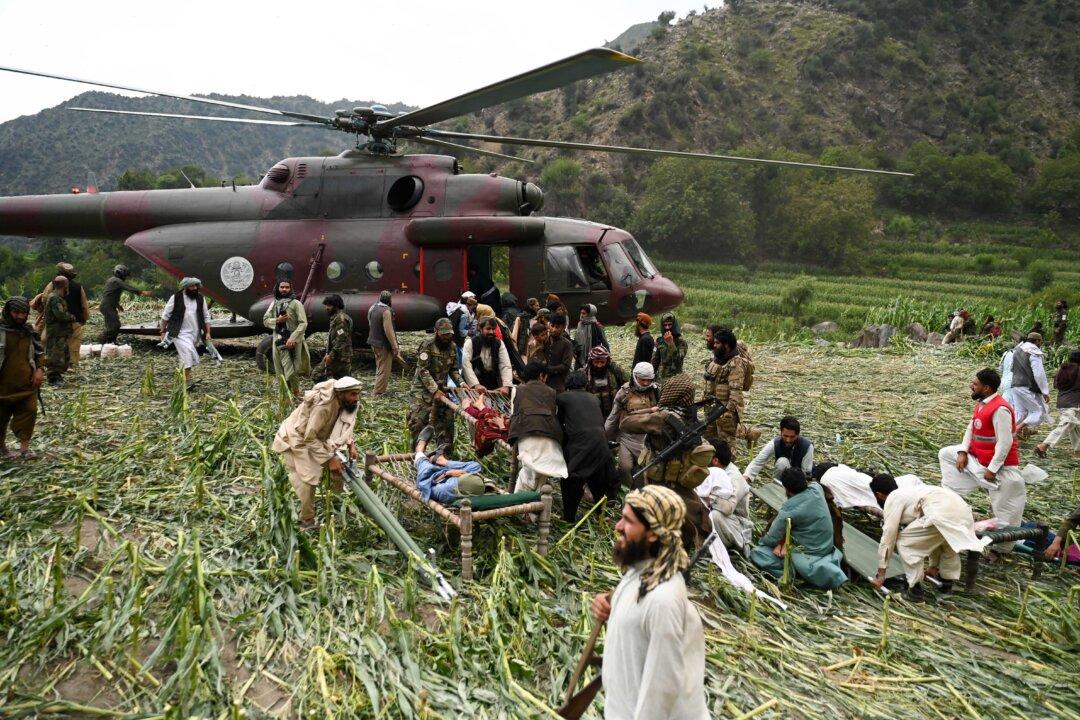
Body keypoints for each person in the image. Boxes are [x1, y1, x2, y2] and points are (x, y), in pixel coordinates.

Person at [591, 486, 708, 720]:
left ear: (653, 532)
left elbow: (661, 691)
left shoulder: (663, 600)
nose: (618, 527)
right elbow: (638, 623)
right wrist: (612, 608)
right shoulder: (642, 572)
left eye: (627, 521)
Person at [619, 373, 712, 552]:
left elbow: (626, 424)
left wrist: (652, 410)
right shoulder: (690, 415)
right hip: (680, 474)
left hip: (659, 474)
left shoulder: (662, 418)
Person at [939, 368, 1026, 556]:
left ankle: (999, 552)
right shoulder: (981, 404)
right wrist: (962, 452)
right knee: (946, 454)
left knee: (1006, 514)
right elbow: (970, 428)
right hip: (979, 461)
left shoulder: (1000, 409)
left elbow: (1005, 443)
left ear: (986, 388)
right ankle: (955, 497)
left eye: (975, 384)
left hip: (1001, 469)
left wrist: (993, 469)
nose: (971, 385)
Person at [869, 474, 991, 601]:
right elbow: (930, 538)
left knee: (905, 543)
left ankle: (914, 591)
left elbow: (889, 535)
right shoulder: (913, 490)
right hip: (962, 511)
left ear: (879, 495)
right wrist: (933, 565)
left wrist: (881, 573)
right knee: (945, 542)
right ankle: (946, 584)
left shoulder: (893, 498)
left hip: (940, 513)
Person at [271, 376, 361, 530]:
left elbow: (345, 423)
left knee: (340, 467)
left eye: (358, 394)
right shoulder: (323, 408)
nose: (356, 398)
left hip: (318, 436)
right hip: (297, 437)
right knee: (308, 477)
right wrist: (329, 458)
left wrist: (350, 444)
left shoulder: (348, 403)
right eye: (353, 394)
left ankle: (337, 503)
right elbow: (309, 437)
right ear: (341, 394)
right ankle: (307, 520)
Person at [749, 467, 847, 590]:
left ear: (787, 489)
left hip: (809, 555)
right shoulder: (816, 488)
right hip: (827, 547)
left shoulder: (789, 511)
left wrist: (764, 542)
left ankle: (793, 574)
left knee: (758, 553)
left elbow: (771, 538)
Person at [557, 371, 619, 521]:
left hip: (581, 445)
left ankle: (569, 518)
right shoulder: (594, 399)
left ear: (567, 385)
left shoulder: (562, 398)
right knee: (596, 479)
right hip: (601, 444)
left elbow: (559, 423)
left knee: (571, 481)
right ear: (585, 384)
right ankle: (601, 515)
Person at [507, 361, 566, 494]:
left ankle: (520, 505)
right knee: (541, 473)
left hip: (526, 435)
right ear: (541, 375)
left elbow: (513, 414)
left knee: (528, 472)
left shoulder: (518, 389)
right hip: (551, 439)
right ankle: (533, 505)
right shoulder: (552, 392)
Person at [406, 318, 464, 449]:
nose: (446, 337)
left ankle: (444, 454)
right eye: (443, 334)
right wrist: (434, 390)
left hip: (442, 390)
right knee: (418, 422)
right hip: (422, 390)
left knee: (447, 422)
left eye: (449, 334)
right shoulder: (427, 345)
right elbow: (423, 370)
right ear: (436, 331)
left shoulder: (453, 347)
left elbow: (454, 370)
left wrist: (461, 383)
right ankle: (417, 454)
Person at [0, 297, 45, 460]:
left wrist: (39, 370)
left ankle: (24, 449)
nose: (20, 316)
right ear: (8, 311)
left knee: (29, 412)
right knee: (1, 417)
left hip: (27, 383)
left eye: (23, 313)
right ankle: (2, 449)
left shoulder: (29, 331)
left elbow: (39, 352)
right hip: (3, 385)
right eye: (16, 312)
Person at [606, 361, 661, 488]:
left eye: (649, 380)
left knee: (643, 472)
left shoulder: (657, 391)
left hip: (647, 440)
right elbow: (613, 417)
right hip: (627, 438)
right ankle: (626, 491)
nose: (646, 383)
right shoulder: (624, 393)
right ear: (635, 376)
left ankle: (637, 496)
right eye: (642, 380)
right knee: (625, 467)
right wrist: (604, 436)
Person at [694, 440, 752, 556]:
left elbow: (728, 508)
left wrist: (710, 499)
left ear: (715, 460)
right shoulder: (714, 470)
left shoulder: (734, 477)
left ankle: (724, 547)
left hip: (735, 522)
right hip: (715, 513)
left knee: (715, 516)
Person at [32, 262, 89, 371]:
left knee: (49, 344)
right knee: (72, 346)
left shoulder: (52, 285)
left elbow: (44, 300)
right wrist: (84, 318)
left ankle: (47, 365)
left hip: (55, 323)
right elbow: (84, 305)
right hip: (74, 322)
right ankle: (70, 367)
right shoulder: (78, 287)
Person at [159, 277, 212, 391]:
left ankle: (182, 379)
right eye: (192, 286)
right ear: (185, 287)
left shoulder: (200, 298)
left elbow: (206, 317)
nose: (194, 288)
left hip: (195, 333)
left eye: (196, 286)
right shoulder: (176, 298)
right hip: (178, 332)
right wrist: (162, 331)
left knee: (186, 355)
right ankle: (187, 381)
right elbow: (165, 316)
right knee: (187, 353)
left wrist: (208, 333)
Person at [262, 279, 311, 401]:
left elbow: (303, 323)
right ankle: (284, 396)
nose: (284, 289)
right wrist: (277, 321)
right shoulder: (274, 304)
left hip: (292, 342)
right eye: (282, 287)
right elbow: (265, 320)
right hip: (277, 341)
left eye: (287, 287)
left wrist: (293, 338)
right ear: (278, 288)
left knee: (292, 371)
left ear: (290, 289)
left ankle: (296, 395)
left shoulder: (296, 304)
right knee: (279, 370)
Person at [413, 425, 488, 504]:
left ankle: (419, 450)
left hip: (435, 477)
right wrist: (462, 474)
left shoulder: (445, 492)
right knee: (475, 466)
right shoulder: (474, 485)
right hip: (458, 476)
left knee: (426, 470)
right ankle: (442, 461)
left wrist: (448, 474)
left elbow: (426, 486)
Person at [701, 328, 746, 456]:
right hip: (711, 409)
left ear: (726, 345)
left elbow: (736, 391)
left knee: (726, 445)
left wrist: (728, 412)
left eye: (717, 343)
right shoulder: (717, 360)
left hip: (724, 412)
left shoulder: (735, 363)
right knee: (709, 441)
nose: (714, 346)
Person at [1035, 349, 1080, 458]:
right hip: (1073, 403)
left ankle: (1078, 452)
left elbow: (1056, 385)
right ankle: (1044, 445)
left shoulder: (1063, 370)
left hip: (1062, 402)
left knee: (1076, 428)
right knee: (1067, 424)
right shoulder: (1078, 370)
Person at [744, 416, 814, 483]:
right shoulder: (775, 443)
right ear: (781, 432)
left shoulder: (807, 446)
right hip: (781, 480)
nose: (788, 440)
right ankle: (776, 489)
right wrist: (746, 477)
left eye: (792, 437)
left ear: (798, 434)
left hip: (799, 482)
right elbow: (758, 462)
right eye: (785, 436)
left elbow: (806, 473)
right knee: (782, 462)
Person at [1010, 332, 1051, 436]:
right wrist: (1045, 391)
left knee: (1021, 413)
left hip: (1015, 385)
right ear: (1037, 341)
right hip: (1025, 386)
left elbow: (1012, 368)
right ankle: (1017, 430)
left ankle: (1006, 434)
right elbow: (1039, 374)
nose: (1040, 344)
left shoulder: (1018, 350)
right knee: (1038, 412)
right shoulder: (1033, 352)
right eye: (1040, 341)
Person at [99, 264, 151, 344]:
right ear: (120, 273)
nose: (125, 277)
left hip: (109, 306)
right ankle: (102, 341)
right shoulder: (116, 280)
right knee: (115, 325)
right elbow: (128, 287)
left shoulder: (113, 280)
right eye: (125, 275)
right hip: (107, 306)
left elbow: (111, 295)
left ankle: (110, 342)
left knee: (111, 325)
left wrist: (118, 305)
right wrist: (142, 292)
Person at [462, 316, 512, 394]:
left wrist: (506, 385)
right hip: (473, 383)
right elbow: (466, 366)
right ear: (480, 329)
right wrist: (476, 384)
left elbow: (505, 365)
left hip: (492, 382)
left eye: (493, 329)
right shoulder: (470, 343)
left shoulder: (499, 343)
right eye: (488, 329)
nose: (491, 332)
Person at [42, 276, 76, 385]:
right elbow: (60, 315)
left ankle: (58, 375)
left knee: (62, 355)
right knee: (55, 355)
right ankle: (53, 377)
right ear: (64, 286)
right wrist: (71, 317)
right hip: (56, 332)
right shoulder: (55, 298)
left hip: (61, 332)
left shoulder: (57, 297)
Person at [366, 290, 400, 395]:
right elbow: (388, 331)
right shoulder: (386, 311)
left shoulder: (373, 307)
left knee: (379, 366)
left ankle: (377, 387)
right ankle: (378, 392)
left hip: (373, 341)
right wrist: (395, 347)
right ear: (390, 300)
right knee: (384, 369)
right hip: (383, 344)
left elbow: (370, 322)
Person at [315, 294, 354, 382]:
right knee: (342, 381)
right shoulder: (335, 318)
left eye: (329, 305)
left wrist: (330, 355)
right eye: (326, 305)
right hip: (340, 355)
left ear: (336, 306)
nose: (326, 308)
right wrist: (328, 352)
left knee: (317, 374)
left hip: (340, 356)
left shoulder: (340, 319)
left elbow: (341, 340)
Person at [584, 345, 627, 419]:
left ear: (607, 361)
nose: (599, 365)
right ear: (591, 361)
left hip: (614, 411)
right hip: (593, 413)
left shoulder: (616, 370)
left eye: (602, 362)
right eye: (596, 362)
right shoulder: (584, 373)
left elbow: (627, 385)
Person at [540, 313, 573, 393]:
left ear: (563, 328)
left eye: (557, 327)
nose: (554, 329)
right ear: (549, 325)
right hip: (542, 381)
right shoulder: (543, 341)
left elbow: (565, 366)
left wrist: (548, 369)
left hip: (559, 381)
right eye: (552, 326)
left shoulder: (567, 344)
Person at [650, 312, 687, 382]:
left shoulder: (681, 342)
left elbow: (678, 361)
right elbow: (654, 361)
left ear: (674, 325)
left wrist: (671, 343)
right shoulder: (659, 341)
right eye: (665, 325)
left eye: (670, 325)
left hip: (675, 380)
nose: (667, 327)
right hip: (660, 379)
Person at [573, 303, 609, 369]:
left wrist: (607, 356)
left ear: (590, 314)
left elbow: (604, 342)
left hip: (593, 355)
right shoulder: (580, 324)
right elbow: (576, 339)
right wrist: (574, 350)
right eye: (581, 313)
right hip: (580, 355)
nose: (581, 315)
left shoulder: (597, 326)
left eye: (584, 314)